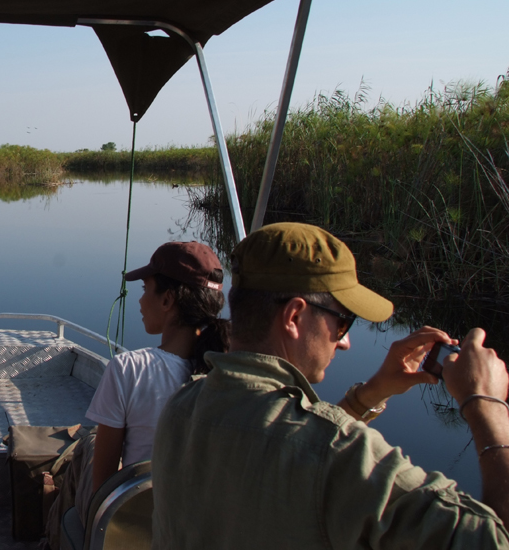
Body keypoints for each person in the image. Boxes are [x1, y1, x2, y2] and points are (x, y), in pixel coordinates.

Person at [152, 222, 509, 549]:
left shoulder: (183, 408)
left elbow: (287, 445)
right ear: (294, 317)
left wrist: (374, 392)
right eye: (342, 322)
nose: (345, 342)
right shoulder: (339, 455)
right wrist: (485, 406)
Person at [44, 241, 230, 549]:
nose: (140, 301)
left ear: (168, 300)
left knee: (86, 447)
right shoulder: (230, 376)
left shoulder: (129, 369)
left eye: (145, 289)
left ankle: (51, 538)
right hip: (200, 532)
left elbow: (101, 490)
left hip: (131, 532)